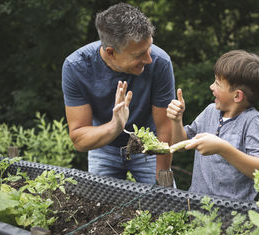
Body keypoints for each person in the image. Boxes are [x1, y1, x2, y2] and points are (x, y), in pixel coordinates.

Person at [62, 3, 175, 184]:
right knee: (101, 209)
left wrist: (162, 179)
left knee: (167, 206)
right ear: (111, 52)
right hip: (103, 147)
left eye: (149, 48)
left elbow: (165, 128)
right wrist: (115, 126)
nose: (149, 59)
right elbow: (79, 140)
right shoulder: (76, 66)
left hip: (150, 146)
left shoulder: (160, 62)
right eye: (139, 54)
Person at [167, 50, 259, 201]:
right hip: (196, 206)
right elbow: (179, 144)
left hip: (232, 214)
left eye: (217, 83)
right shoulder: (210, 111)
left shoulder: (252, 121)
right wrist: (177, 120)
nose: (211, 87)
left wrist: (223, 149)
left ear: (237, 96)